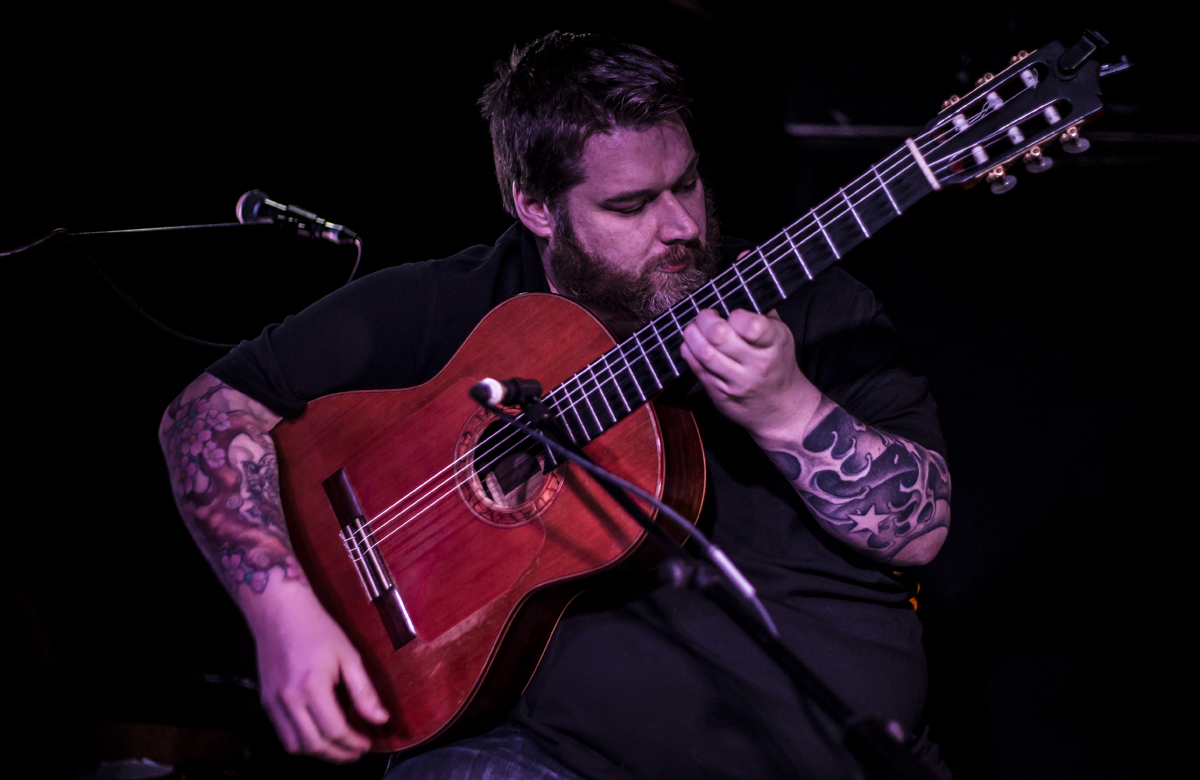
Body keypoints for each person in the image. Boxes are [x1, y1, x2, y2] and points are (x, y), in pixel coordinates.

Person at [159, 32, 952, 779]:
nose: (681, 225)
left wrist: (789, 410)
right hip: (548, 759)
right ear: (536, 205)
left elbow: (919, 533)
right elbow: (205, 412)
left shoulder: (810, 303)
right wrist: (286, 617)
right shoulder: (460, 302)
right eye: (631, 206)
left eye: (687, 183)